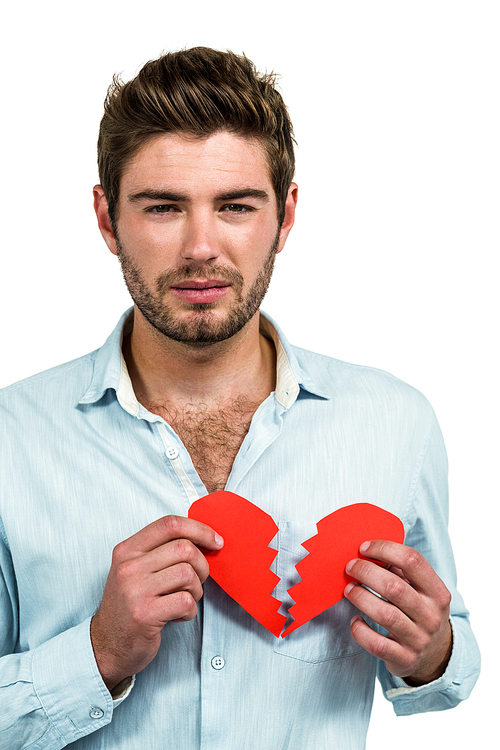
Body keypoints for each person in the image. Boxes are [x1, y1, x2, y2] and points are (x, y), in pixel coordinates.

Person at [0, 47, 479, 749]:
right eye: (163, 207)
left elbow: (452, 665)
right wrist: (96, 655)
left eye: (235, 206)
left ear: (285, 216)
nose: (201, 246)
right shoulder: (12, 439)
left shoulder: (396, 423)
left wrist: (433, 650)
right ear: (106, 218)